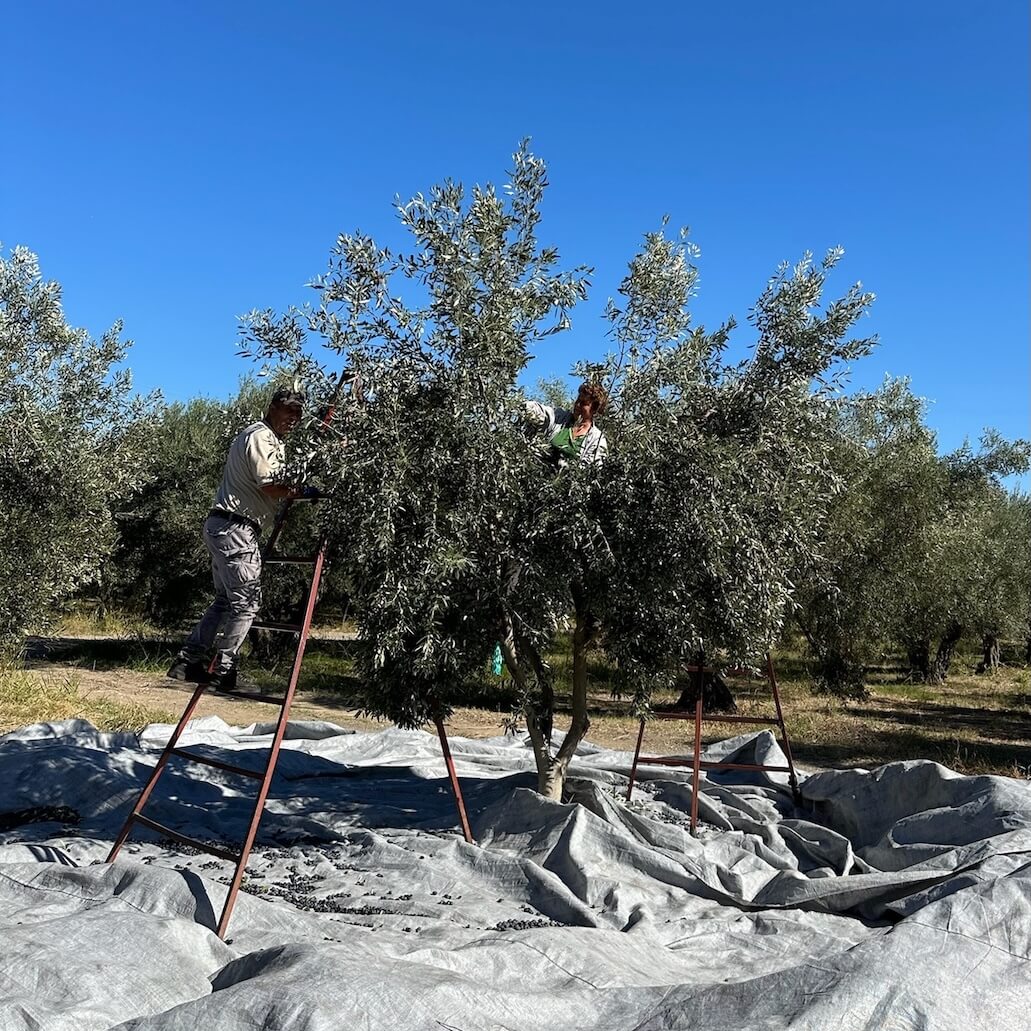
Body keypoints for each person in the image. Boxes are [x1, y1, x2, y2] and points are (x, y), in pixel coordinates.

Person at [167, 387, 315, 691]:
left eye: (298, 414)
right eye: (289, 411)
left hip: (224, 526)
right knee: (247, 604)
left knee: (226, 600)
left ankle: (188, 661)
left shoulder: (266, 439)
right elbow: (271, 486)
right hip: (237, 528)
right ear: (273, 407)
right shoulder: (262, 436)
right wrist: (302, 491)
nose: (294, 418)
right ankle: (223, 670)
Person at [524, 381, 609, 469]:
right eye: (578, 400)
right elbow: (544, 413)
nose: (577, 405)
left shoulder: (597, 439)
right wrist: (525, 407)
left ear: (595, 409)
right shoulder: (560, 418)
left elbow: (590, 470)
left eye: (584, 403)